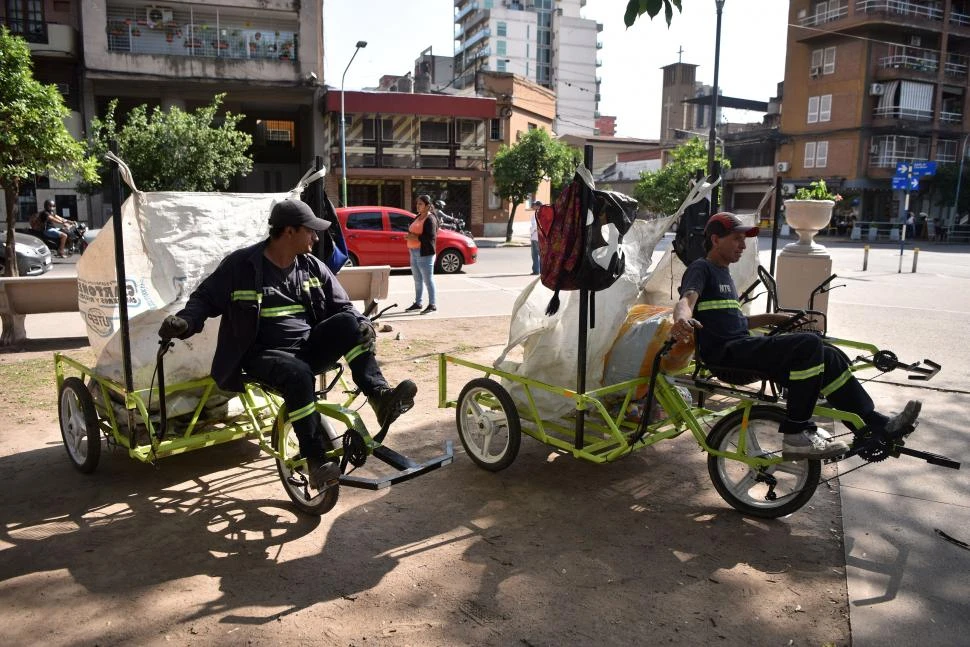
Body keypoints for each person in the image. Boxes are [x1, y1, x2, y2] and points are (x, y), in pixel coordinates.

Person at [157, 199, 418, 492]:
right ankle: (315, 459)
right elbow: (204, 299)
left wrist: (363, 323)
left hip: (306, 348)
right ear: (289, 232)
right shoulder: (240, 266)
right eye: (311, 231)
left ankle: (379, 397)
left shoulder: (311, 267)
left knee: (350, 325)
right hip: (261, 356)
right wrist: (185, 323)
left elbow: (344, 307)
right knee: (296, 373)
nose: (316, 238)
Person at [671, 212, 921, 460]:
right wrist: (682, 318)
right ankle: (796, 434)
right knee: (809, 344)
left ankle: (875, 426)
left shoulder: (724, 274)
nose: (743, 245)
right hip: (726, 355)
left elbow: (734, 322)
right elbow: (686, 299)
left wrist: (773, 318)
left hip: (742, 347)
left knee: (828, 354)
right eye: (737, 238)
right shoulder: (701, 268)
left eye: (743, 239)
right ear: (715, 240)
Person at [404, 194, 438, 314]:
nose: (417, 206)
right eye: (417, 203)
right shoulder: (418, 216)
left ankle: (432, 304)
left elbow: (430, 237)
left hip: (424, 253)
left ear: (427, 206)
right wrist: (409, 235)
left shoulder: (430, 219)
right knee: (417, 280)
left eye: (420, 204)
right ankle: (418, 303)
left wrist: (414, 236)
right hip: (413, 252)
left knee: (428, 280)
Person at [529, 200, 542, 275]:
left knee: (537, 254)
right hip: (535, 237)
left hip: (536, 236)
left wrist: (531, 232)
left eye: (534, 205)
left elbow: (534, 225)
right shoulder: (536, 213)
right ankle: (537, 270)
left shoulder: (537, 214)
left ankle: (537, 270)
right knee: (535, 254)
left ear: (538, 206)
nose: (532, 206)